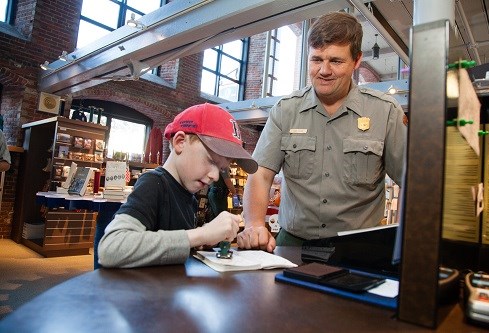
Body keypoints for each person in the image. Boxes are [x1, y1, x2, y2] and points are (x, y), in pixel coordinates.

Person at [237, 11, 407, 252]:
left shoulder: (386, 112)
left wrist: (401, 240)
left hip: (360, 249)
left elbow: (411, 181)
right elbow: (260, 174)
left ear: (357, 60)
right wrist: (254, 225)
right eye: (317, 60)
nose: (324, 70)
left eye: (336, 61)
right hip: (293, 245)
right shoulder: (286, 111)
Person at [98, 103, 258, 268]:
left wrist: (203, 242)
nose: (215, 176)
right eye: (211, 161)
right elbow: (111, 248)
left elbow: (172, 245)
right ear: (180, 142)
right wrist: (201, 234)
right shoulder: (154, 184)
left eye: (222, 169)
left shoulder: (189, 197)